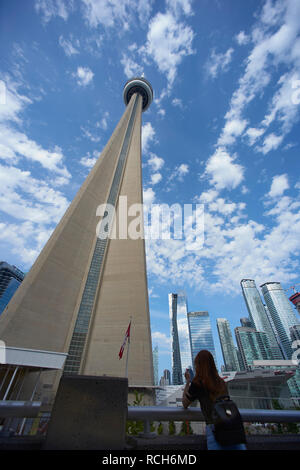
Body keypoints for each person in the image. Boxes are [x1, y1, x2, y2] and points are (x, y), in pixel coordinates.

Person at [182, 350, 247, 450]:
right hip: (232, 428)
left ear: (198, 365)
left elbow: (185, 403)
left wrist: (187, 382)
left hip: (214, 430)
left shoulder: (198, 383)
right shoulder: (221, 382)